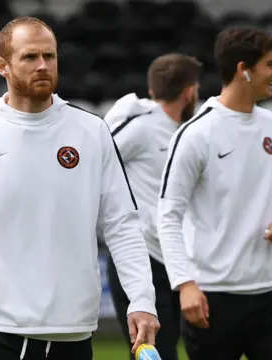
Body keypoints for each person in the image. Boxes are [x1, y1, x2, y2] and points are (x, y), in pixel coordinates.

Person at [0, 16, 160, 360]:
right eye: (30, 57)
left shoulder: (91, 131)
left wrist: (141, 300)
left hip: (72, 329)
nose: (42, 66)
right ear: (2, 66)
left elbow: (122, 225)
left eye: (49, 57)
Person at [157, 27, 272, 360]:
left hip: (269, 293)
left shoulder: (271, 125)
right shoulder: (196, 134)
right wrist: (186, 284)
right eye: (269, 64)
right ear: (243, 70)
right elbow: (168, 216)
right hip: (210, 298)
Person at [104, 54, 202, 360]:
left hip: (180, 260)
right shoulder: (142, 126)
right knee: (155, 352)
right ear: (189, 91)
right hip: (140, 258)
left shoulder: (192, 132)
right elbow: (95, 159)